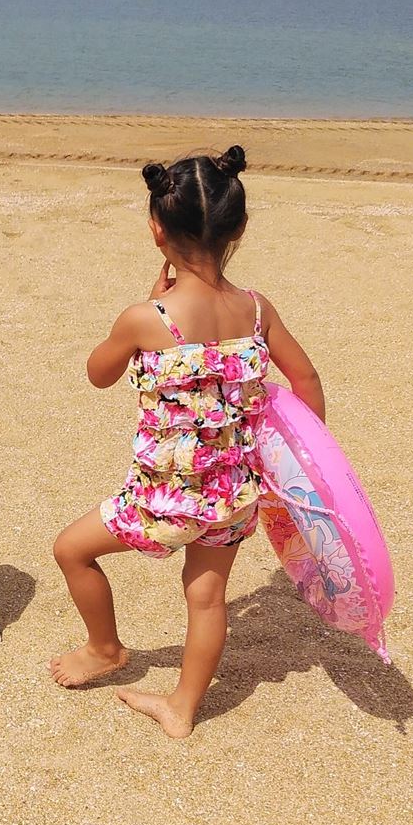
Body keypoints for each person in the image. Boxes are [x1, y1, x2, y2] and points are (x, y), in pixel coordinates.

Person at [48, 146, 324, 738]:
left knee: (71, 550)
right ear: (239, 229)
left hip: (163, 499)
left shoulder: (148, 318)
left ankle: (104, 649)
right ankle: (182, 707)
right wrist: (307, 460)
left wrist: (145, 305)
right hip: (233, 492)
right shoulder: (256, 310)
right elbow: (305, 378)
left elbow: (98, 372)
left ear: (156, 231)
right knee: (206, 598)